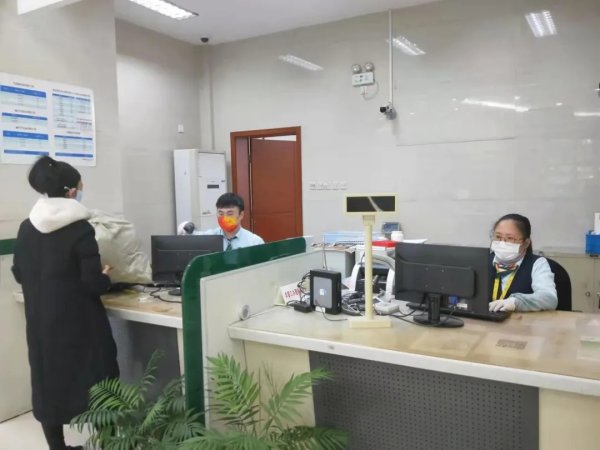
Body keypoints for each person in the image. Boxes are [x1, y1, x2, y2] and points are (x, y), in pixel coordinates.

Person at [11, 156, 119, 450]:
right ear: (71, 191)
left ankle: (57, 447)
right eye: (81, 186)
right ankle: (108, 444)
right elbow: (92, 283)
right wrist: (105, 276)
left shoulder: (26, 227)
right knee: (101, 381)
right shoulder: (80, 229)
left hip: (41, 322)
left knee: (47, 383)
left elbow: (19, 272)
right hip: (81, 324)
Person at [488, 213, 557, 312]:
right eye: (498, 237)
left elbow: (549, 299)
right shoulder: (483, 260)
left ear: (526, 243)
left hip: (523, 320)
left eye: (510, 238)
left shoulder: (537, 264)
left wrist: (515, 302)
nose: (502, 243)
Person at [177, 192, 264, 250]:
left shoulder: (254, 242)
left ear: (241, 215)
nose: (224, 218)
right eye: (221, 213)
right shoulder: (209, 237)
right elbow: (185, 233)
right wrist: (186, 226)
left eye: (230, 214)